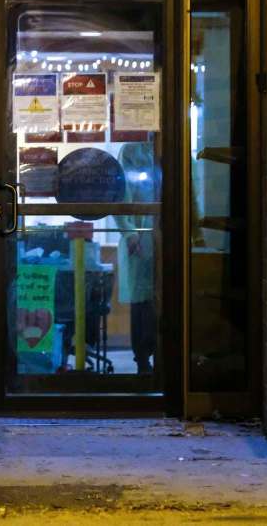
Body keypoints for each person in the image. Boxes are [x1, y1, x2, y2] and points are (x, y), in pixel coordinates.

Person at [116, 141, 157, 374]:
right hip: (140, 237)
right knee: (142, 303)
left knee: (158, 300)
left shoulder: (168, 145)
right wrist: (130, 234)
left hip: (161, 235)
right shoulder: (132, 150)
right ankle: (143, 360)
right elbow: (121, 195)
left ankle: (156, 357)